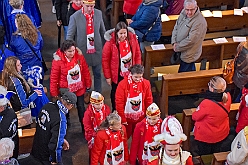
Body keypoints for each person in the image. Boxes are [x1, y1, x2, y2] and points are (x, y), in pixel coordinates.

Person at [50, 40, 92, 133]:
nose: (72, 53)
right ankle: (65, 129)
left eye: (73, 50)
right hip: (66, 90)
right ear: (64, 51)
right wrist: (54, 92)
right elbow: (54, 77)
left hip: (79, 88)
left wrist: (88, 83)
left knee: (81, 107)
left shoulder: (79, 57)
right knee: (66, 110)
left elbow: (85, 70)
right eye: (69, 51)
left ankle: (85, 129)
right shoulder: (57, 61)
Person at [67, 0, 106, 93]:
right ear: (83, 4)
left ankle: (98, 93)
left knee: (97, 74)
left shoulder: (98, 13)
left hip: (97, 49)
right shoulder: (75, 17)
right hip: (82, 51)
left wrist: (106, 46)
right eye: (87, 6)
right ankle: (86, 93)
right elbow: (69, 36)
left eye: (92, 6)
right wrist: (71, 51)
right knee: (84, 74)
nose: (89, 9)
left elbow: (102, 31)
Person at [102, 21, 141, 110]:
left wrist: (137, 70)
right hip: (117, 73)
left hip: (130, 72)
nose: (123, 36)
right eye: (121, 33)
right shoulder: (110, 43)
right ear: (116, 33)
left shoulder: (132, 39)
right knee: (115, 92)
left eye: (124, 33)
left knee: (129, 91)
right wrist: (108, 76)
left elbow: (137, 53)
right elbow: (105, 60)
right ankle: (115, 109)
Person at [31, 91, 77, 165]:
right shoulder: (61, 120)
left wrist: (61, 139)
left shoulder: (48, 105)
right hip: (46, 156)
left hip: (36, 148)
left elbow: (44, 126)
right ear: (71, 105)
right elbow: (56, 145)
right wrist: (55, 160)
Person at [192, 76, 232, 155]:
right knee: (216, 151)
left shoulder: (207, 103)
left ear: (212, 89)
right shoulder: (228, 97)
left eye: (209, 84)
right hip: (221, 132)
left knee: (204, 153)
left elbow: (195, 117)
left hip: (206, 135)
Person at [115, 64, 153, 139]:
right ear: (131, 74)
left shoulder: (146, 83)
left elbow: (148, 99)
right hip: (127, 117)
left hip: (140, 117)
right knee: (125, 136)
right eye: (136, 77)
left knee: (139, 136)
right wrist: (122, 118)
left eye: (140, 77)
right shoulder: (122, 84)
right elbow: (119, 102)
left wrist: (149, 114)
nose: (138, 79)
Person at [171, 0, 207, 73]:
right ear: (184, 7)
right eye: (187, 9)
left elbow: (191, 40)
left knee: (184, 74)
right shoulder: (183, 13)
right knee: (188, 71)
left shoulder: (199, 22)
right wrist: (174, 41)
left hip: (190, 53)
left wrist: (177, 47)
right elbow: (176, 27)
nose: (189, 12)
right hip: (181, 48)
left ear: (196, 7)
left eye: (192, 9)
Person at [10, 14, 44, 79]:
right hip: (37, 62)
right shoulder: (37, 33)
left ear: (18, 25)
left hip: (24, 65)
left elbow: (14, 52)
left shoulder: (15, 39)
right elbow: (41, 46)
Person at [83, 91, 111, 158]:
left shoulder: (106, 109)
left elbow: (109, 121)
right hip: (93, 136)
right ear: (92, 104)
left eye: (101, 103)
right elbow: (87, 127)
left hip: (104, 134)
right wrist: (95, 135)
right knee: (93, 153)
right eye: (97, 104)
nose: (100, 105)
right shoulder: (88, 113)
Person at [0, 85, 19, 159]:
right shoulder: (11, 112)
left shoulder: (3, 125)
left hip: (4, 156)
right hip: (12, 152)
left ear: (1, 107)